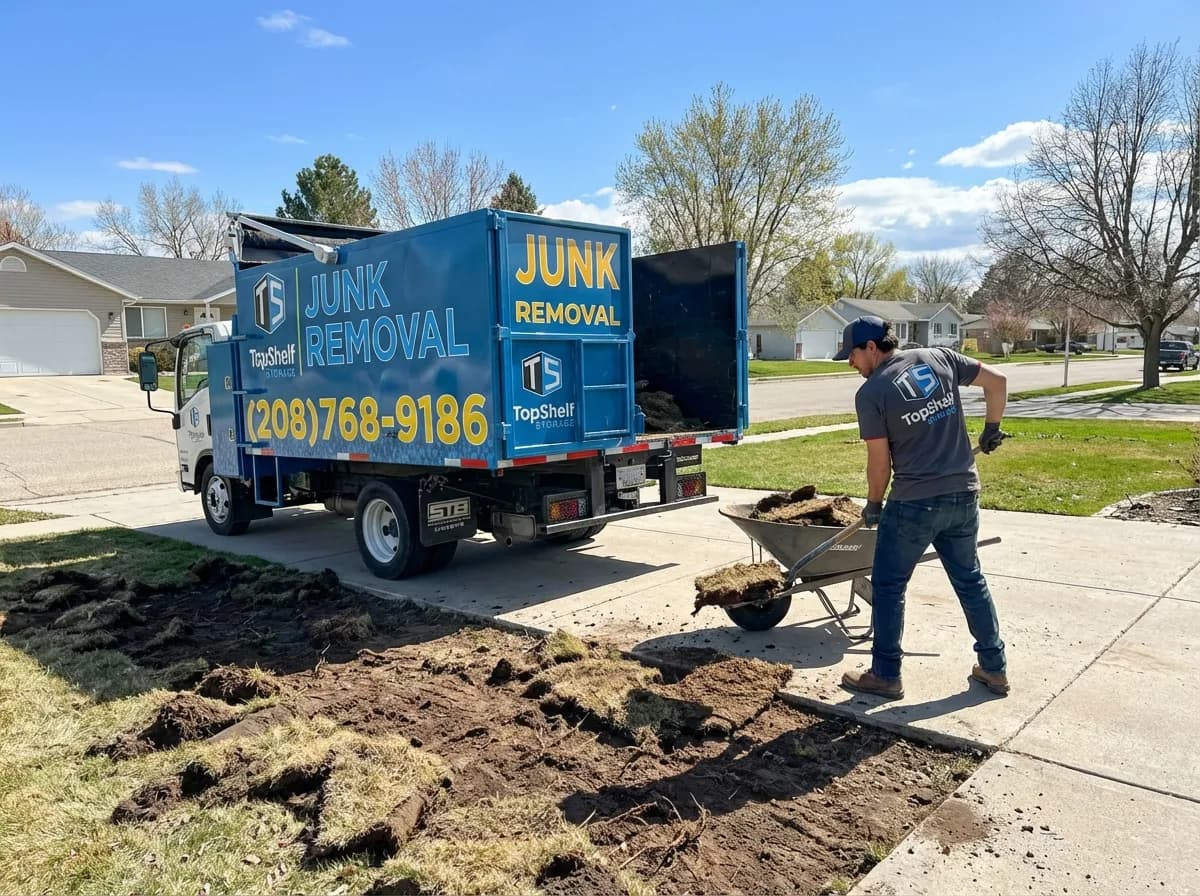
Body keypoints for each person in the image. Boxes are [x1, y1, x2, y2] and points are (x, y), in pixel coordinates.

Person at [832, 315, 1010, 700]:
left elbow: (880, 464)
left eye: (853, 354)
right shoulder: (941, 357)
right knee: (969, 580)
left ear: (873, 348)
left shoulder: (873, 393)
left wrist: (875, 503)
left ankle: (885, 674)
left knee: (889, 585)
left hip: (914, 503)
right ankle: (994, 668)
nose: (850, 363)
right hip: (964, 494)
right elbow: (998, 383)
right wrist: (992, 427)